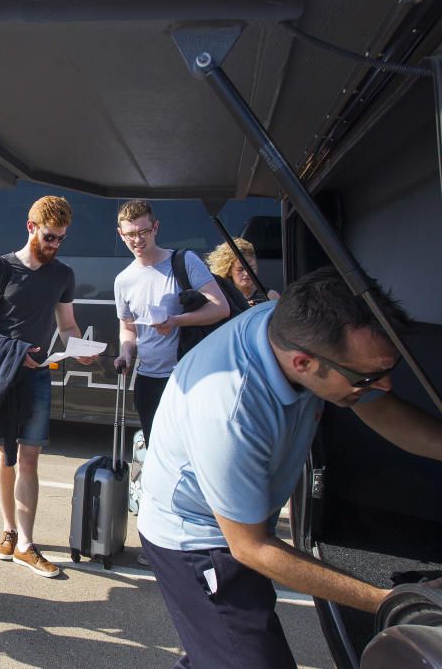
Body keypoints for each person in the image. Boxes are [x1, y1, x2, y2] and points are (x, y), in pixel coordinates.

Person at [137, 267, 442, 668]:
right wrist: (397, 602)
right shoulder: (228, 409)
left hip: (243, 522)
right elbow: (251, 548)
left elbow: (380, 407)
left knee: (224, 653)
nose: (384, 386)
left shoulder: (294, 327)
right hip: (199, 541)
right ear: (303, 363)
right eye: (368, 378)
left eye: (387, 372)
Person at [0, 195, 97, 579]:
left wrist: (79, 348)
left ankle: (25, 544)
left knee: (30, 458)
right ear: (31, 227)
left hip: (37, 374)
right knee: (5, 456)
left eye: (61, 239)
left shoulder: (62, 275)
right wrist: (10, 350)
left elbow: (67, 327)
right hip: (3, 373)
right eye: (50, 236)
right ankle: (9, 529)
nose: (54, 245)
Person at [112, 199, 229, 447]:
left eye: (143, 232)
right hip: (148, 381)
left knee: (192, 450)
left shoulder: (184, 261)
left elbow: (220, 307)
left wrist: (175, 321)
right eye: (130, 234)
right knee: (157, 451)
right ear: (121, 235)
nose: (137, 240)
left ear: (155, 228)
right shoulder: (123, 280)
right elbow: (128, 327)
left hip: (188, 376)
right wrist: (126, 352)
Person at [206, 237, 280, 306]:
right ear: (229, 271)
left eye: (251, 268)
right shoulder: (223, 298)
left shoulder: (270, 296)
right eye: (240, 269)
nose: (247, 273)